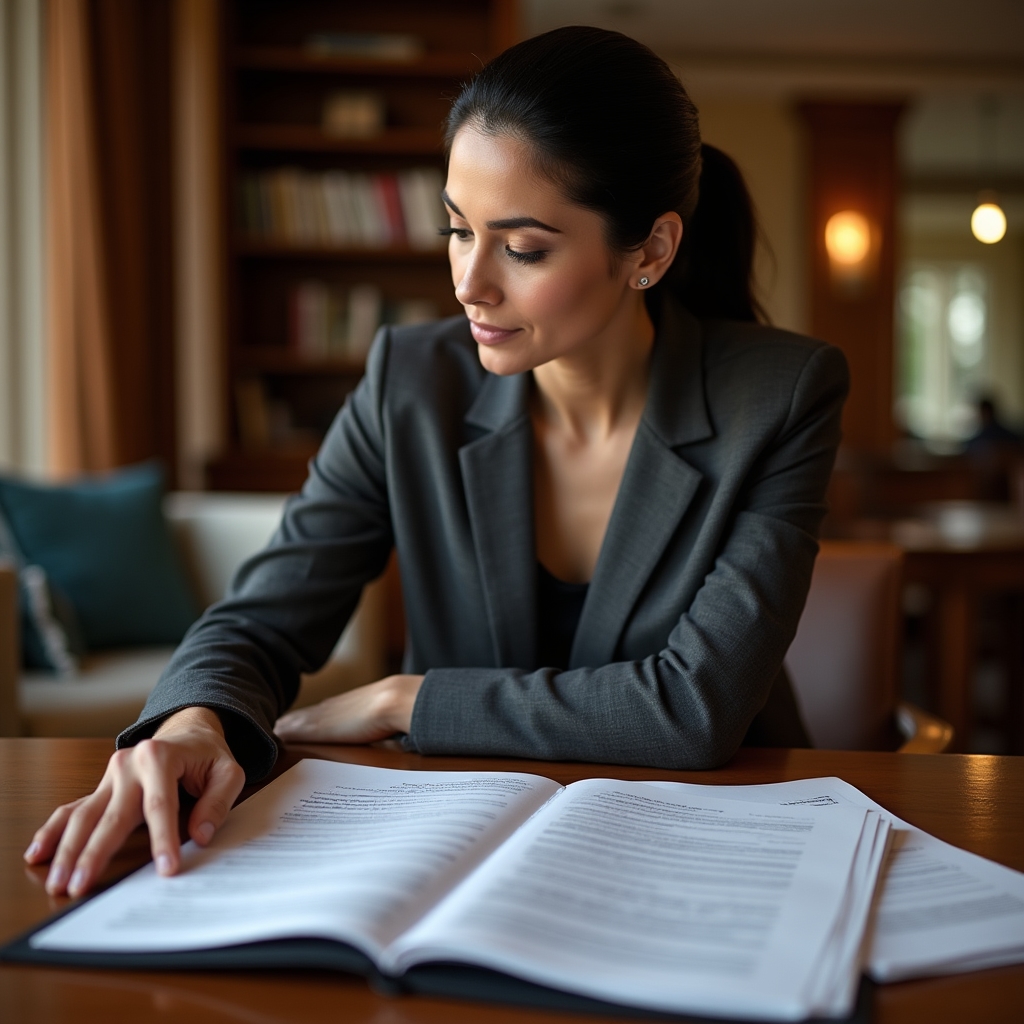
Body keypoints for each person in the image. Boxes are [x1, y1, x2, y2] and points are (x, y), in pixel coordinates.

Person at [26, 26, 848, 898]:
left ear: (649, 251)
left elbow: (694, 712)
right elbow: (261, 619)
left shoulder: (782, 396)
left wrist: (402, 702)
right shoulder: (409, 383)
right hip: (462, 846)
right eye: (459, 230)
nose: (470, 282)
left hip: (710, 840)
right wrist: (193, 721)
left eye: (523, 248)